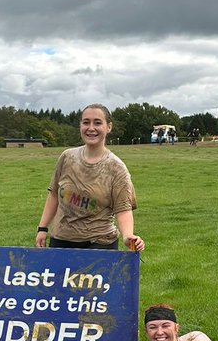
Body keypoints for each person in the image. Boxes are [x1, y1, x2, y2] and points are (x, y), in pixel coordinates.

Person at [35, 104, 145, 251]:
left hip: (99, 243)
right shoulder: (67, 157)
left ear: (109, 127)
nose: (91, 128)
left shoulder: (117, 168)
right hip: (61, 240)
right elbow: (54, 194)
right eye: (86, 122)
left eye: (97, 123)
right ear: (80, 125)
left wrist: (128, 236)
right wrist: (42, 228)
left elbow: (123, 209)